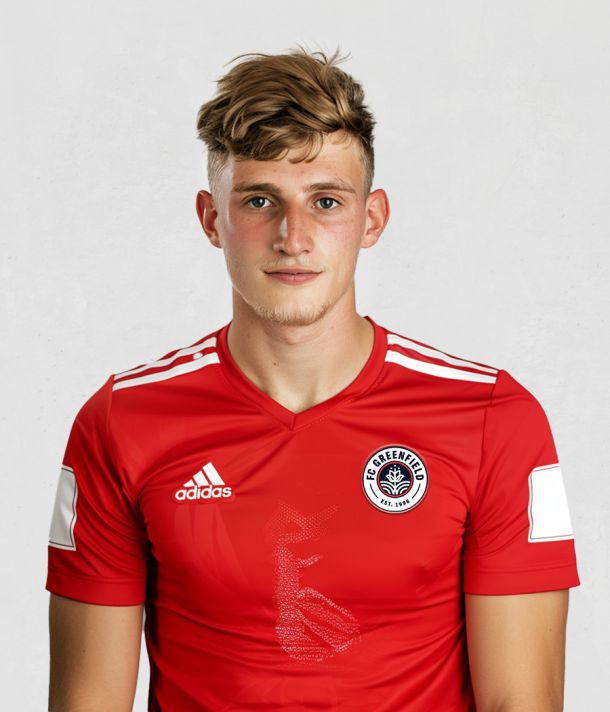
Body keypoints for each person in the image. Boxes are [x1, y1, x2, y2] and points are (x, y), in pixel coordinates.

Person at [46, 45, 580, 712]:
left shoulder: (492, 417)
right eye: (259, 200)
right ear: (211, 219)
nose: (292, 236)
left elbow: (521, 702)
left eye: (326, 201)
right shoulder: (121, 421)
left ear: (371, 218)